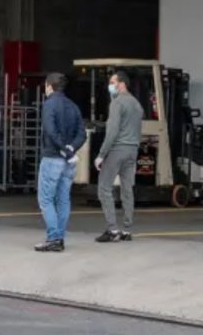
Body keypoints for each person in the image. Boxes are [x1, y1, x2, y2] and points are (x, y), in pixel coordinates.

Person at [35, 73, 86, 253]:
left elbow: (50, 130)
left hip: (52, 157)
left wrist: (62, 148)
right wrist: (71, 148)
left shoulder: (49, 104)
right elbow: (82, 134)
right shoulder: (73, 106)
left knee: (46, 199)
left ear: (49, 86)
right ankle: (60, 237)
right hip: (69, 161)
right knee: (63, 199)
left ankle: (54, 238)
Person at [94, 70, 144, 243]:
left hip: (117, 150)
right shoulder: (137, 104)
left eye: (113, 82)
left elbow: (112, 131)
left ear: (122, 84)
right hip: (132, 150)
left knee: (104, 188)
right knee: (127, 189)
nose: (110, 86)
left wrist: (101, 154)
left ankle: (112, 229)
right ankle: (127, 229)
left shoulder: (117, 103)